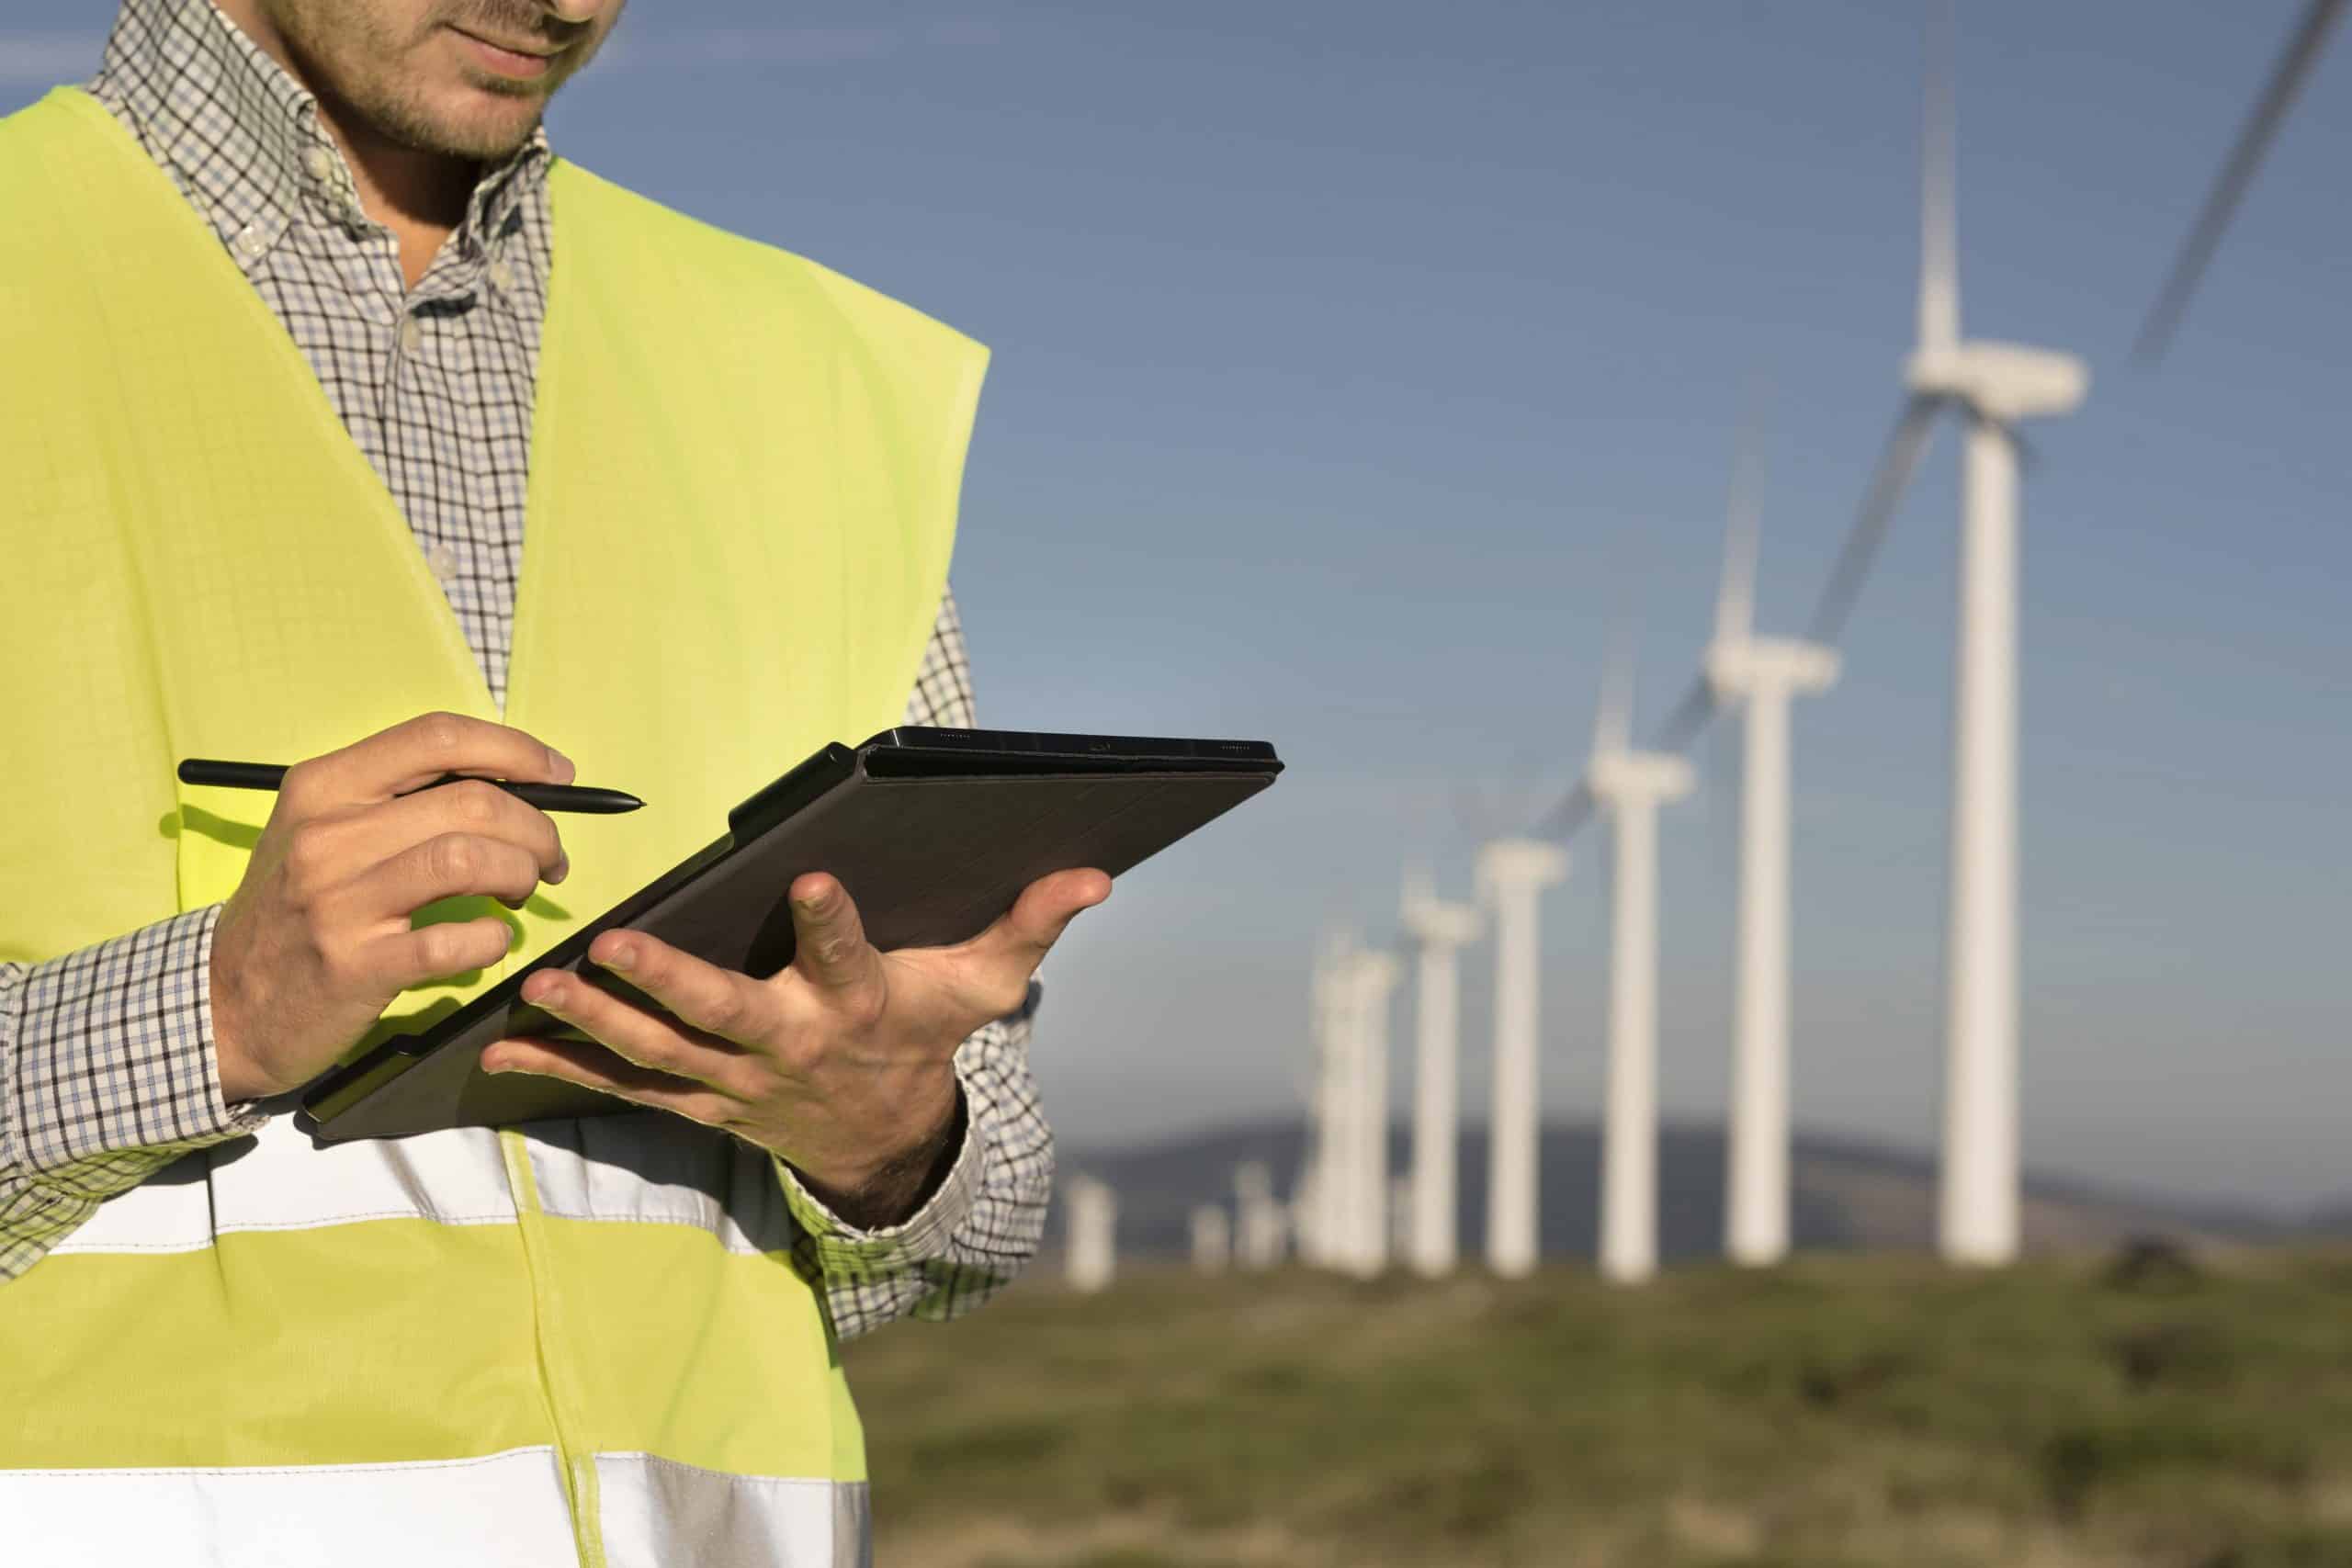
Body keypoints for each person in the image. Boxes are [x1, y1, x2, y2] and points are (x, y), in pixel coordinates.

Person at [0, 2, 1108, 1562]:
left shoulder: (810, 375)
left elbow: (971, 1223)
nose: (570, 5)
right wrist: (209, 1015)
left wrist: (888, 1131)